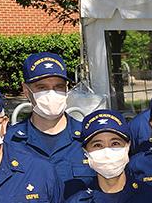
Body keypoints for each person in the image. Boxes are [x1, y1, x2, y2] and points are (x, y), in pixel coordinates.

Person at [6, 52, 94, 194]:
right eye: (42, 88)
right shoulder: (10, 141)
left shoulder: (89, 136)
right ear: (26, 91)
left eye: (58, 87)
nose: (51, 94)